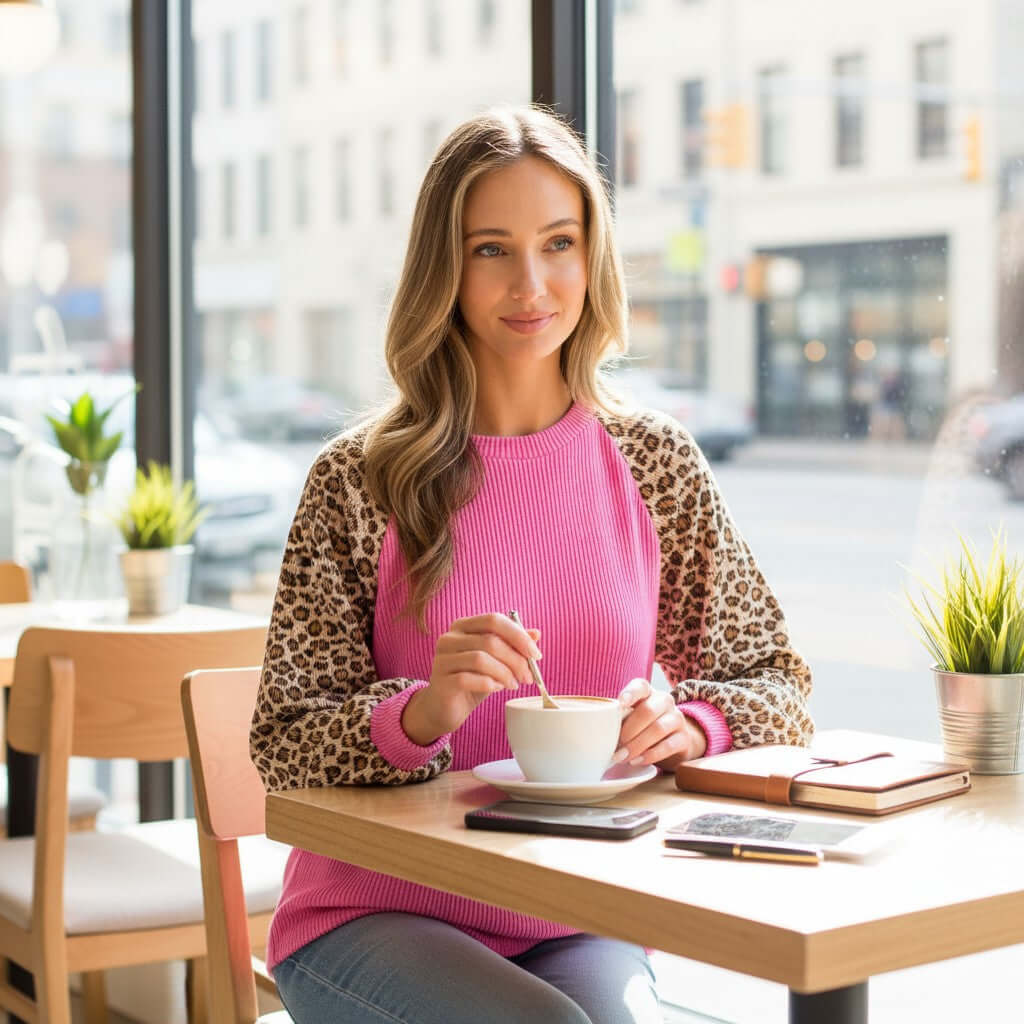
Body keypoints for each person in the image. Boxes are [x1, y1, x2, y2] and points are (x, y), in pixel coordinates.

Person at [250, 104, 813, 1024]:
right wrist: (420, 712)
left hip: (583, 907)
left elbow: (779, 683)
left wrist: (695, 723)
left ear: (593, 256)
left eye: (558, 242)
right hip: (371, 912)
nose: (532, 283)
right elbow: (281, 740)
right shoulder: (363, 478)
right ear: (446, 266)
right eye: (490, 249)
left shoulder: (656, 464)